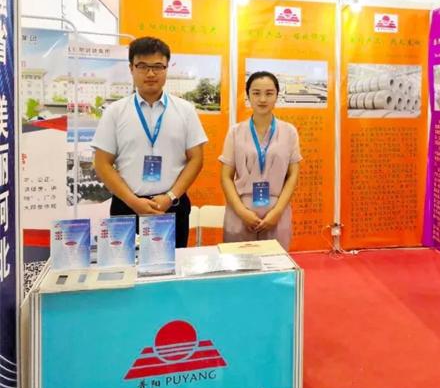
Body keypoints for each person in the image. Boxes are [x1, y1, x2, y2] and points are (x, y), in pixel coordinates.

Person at [92, 37, 207, 248]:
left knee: (172, 266)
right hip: (127, 208)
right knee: (126, 266)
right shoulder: (115, 112)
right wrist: (133, 201)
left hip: (172, 207)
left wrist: (170, 197)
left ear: (166, 68)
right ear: (131, 68)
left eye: (157, 66)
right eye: (143, 66)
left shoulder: (185, 110)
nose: (151, 73)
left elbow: (196, 159)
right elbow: (102, 163)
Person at [219, 71, 301, 250]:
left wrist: (277, 212)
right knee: (239, 264)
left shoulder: (289, 132)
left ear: (277, 96)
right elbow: (226, 176)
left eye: (269, 93)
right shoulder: (235, 132)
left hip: (276, 214)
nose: (262, 99)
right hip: (241, 213)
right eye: (256, 93)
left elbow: (293, 175)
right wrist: (242, 211)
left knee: (275, 263)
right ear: (248, 95)